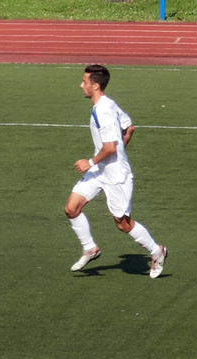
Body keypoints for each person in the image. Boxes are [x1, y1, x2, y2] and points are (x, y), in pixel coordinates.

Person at [65, 63, 166, 277]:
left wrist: (90, 163)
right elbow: (128, 127)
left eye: (84, 82)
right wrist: (120, 148)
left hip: (115, 175)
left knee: (123, 224)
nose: (81, 84)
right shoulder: (108, 103)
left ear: (95, 86)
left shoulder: (104, 111)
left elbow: (110, 147)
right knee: (71, 208)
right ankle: (90, 248)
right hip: (100, 170)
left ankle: (157, 252)